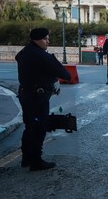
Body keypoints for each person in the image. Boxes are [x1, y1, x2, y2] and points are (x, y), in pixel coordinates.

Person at [15, 27, 71, 171]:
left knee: (29, 127)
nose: (48, 41)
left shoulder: (24, 52)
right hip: (37, 97)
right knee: (39, 128)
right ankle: (36, 161)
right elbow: (65, 74)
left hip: (25, 94)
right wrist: (51, 61)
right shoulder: (40, 55)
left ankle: (26, 158)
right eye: (45, 38)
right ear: (37, 40)